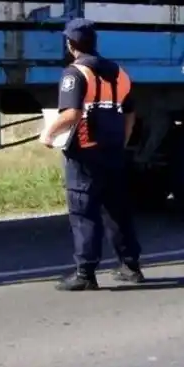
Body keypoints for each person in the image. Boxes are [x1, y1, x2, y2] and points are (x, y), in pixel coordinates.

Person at [39, 18, 145, 291]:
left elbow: (72, 114)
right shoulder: (120, 73)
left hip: (85, 151)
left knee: (84, 210)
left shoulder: (74, 73)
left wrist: (48, 133)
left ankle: (85, 274)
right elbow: (130, 113)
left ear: (71, 45)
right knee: (117, 209)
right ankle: (131, 266)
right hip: (112, 149)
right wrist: (123, 139)